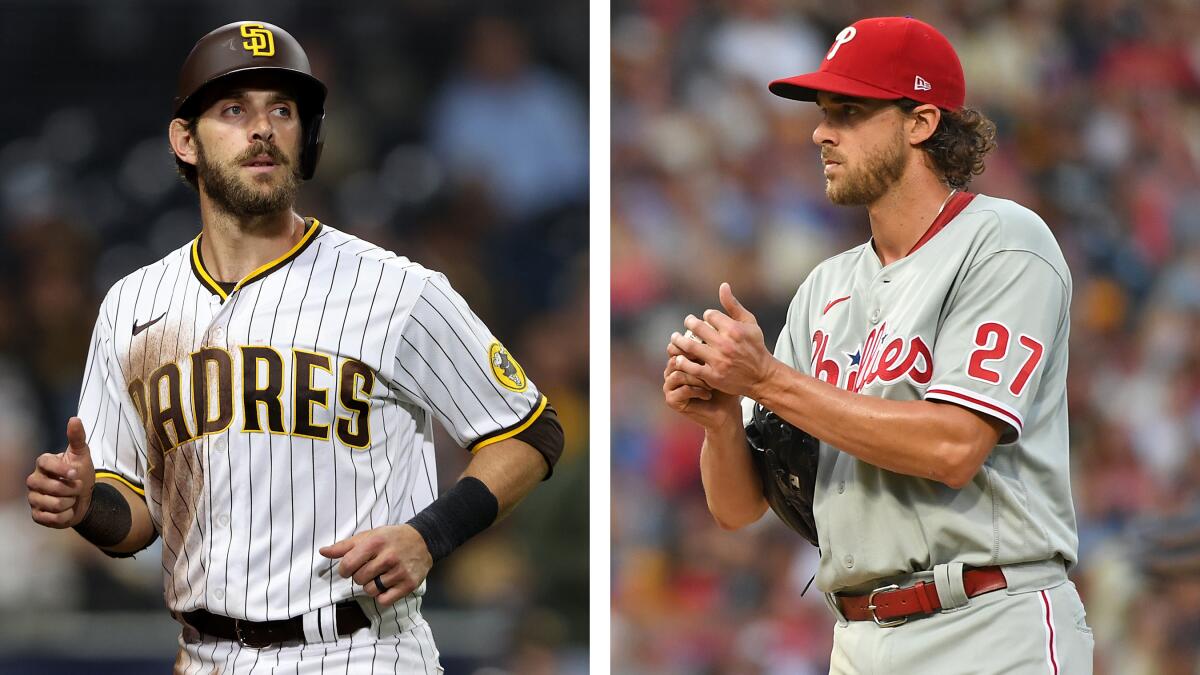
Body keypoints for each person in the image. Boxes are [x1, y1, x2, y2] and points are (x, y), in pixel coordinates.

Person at [25, 20, 563, 673]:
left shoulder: (396, 288)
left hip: (361, 647)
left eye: (283, 109)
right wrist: (86, 506)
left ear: (306, 137)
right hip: (206, 654)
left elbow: (529, 430)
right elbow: (135, 514)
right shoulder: (132, 306)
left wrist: (429, 534)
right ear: (184, 140)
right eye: (234, 109)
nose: (263, 128)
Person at [663, 16, 1093, 673]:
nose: (820, 131)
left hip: (989, 622)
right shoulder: (824, 287)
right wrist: (721, 420)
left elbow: (954, 445)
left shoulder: (1002, 241)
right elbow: (736, 507)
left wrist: (766, 379)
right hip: (859, 638)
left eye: (849, 111)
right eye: (822, 111)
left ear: (920, 121)